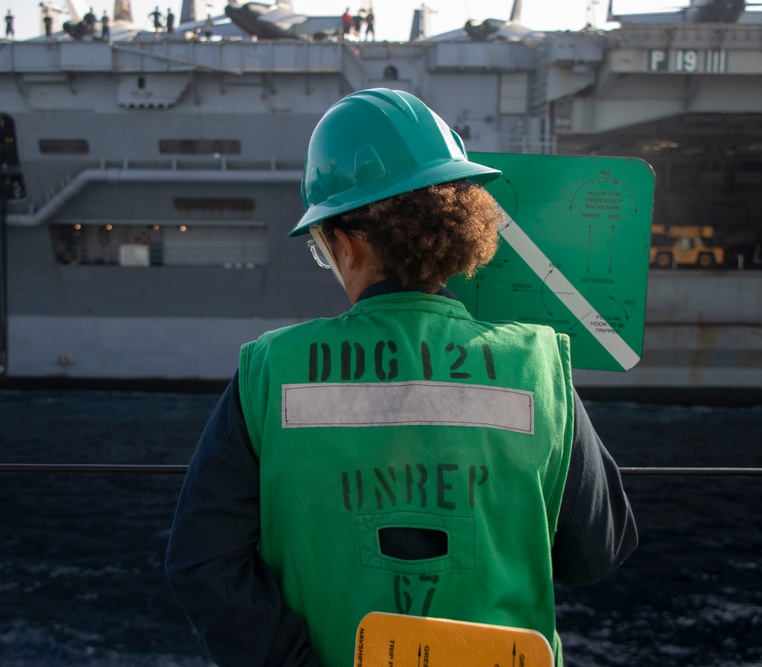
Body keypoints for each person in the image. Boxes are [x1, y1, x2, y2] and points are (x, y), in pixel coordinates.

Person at [166, 89, 637, 667]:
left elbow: (201, 561)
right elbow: (598, 551)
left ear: (345, 242)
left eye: (322, 249)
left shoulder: (268, 369)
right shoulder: (537, 364)